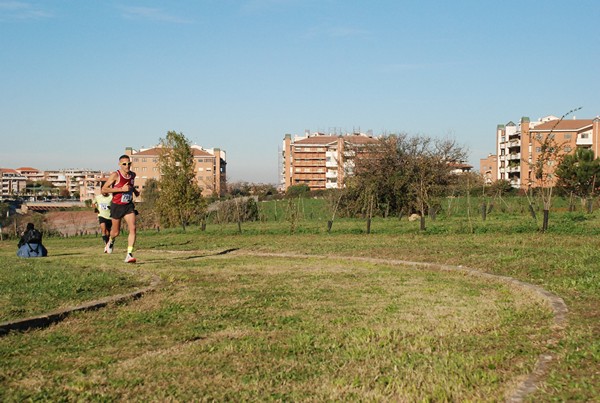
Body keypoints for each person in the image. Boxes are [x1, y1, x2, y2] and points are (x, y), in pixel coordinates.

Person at [101, 154, 140, 263]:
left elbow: (130, 186)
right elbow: (104, 190)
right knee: (116, 232)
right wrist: (120, 189)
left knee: (133, 228)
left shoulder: (133, 175)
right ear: (119, 165)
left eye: (129, 164)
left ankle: (129, 254)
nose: (127, 166)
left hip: (128, 206)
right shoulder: (115, 175)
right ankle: (111, 241)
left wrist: (134, 191)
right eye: (124, 164)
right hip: (117, 206)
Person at [92, 185, 113, 250]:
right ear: (101, 190)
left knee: (108, 232)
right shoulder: (98, 197)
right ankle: (106, 245)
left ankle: (109, 243)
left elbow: (115, 205)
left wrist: (112, 208)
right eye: (103, 190)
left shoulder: (111, 197)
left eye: (105, 190)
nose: (104, 192)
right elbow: (93, 203)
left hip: (110, 216)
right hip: (101, 215)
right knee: (103, 229)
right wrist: (95, 208)